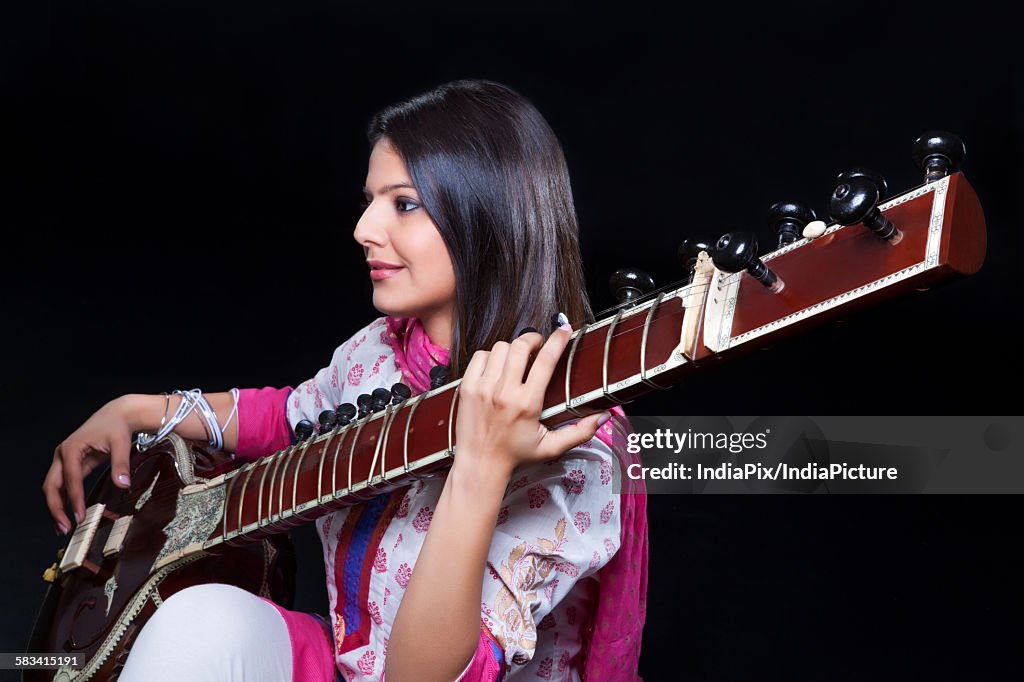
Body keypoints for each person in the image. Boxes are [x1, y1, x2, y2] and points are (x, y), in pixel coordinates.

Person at [42, 79, 648, 681]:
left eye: (403, 204)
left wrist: (480, 468)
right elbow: (290, 421)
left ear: (487, 218)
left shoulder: (574, 448)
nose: (364, 229)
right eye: (370, 200)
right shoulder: (380, 351)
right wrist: (142, 409)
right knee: (198, 621)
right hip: (348, 670)